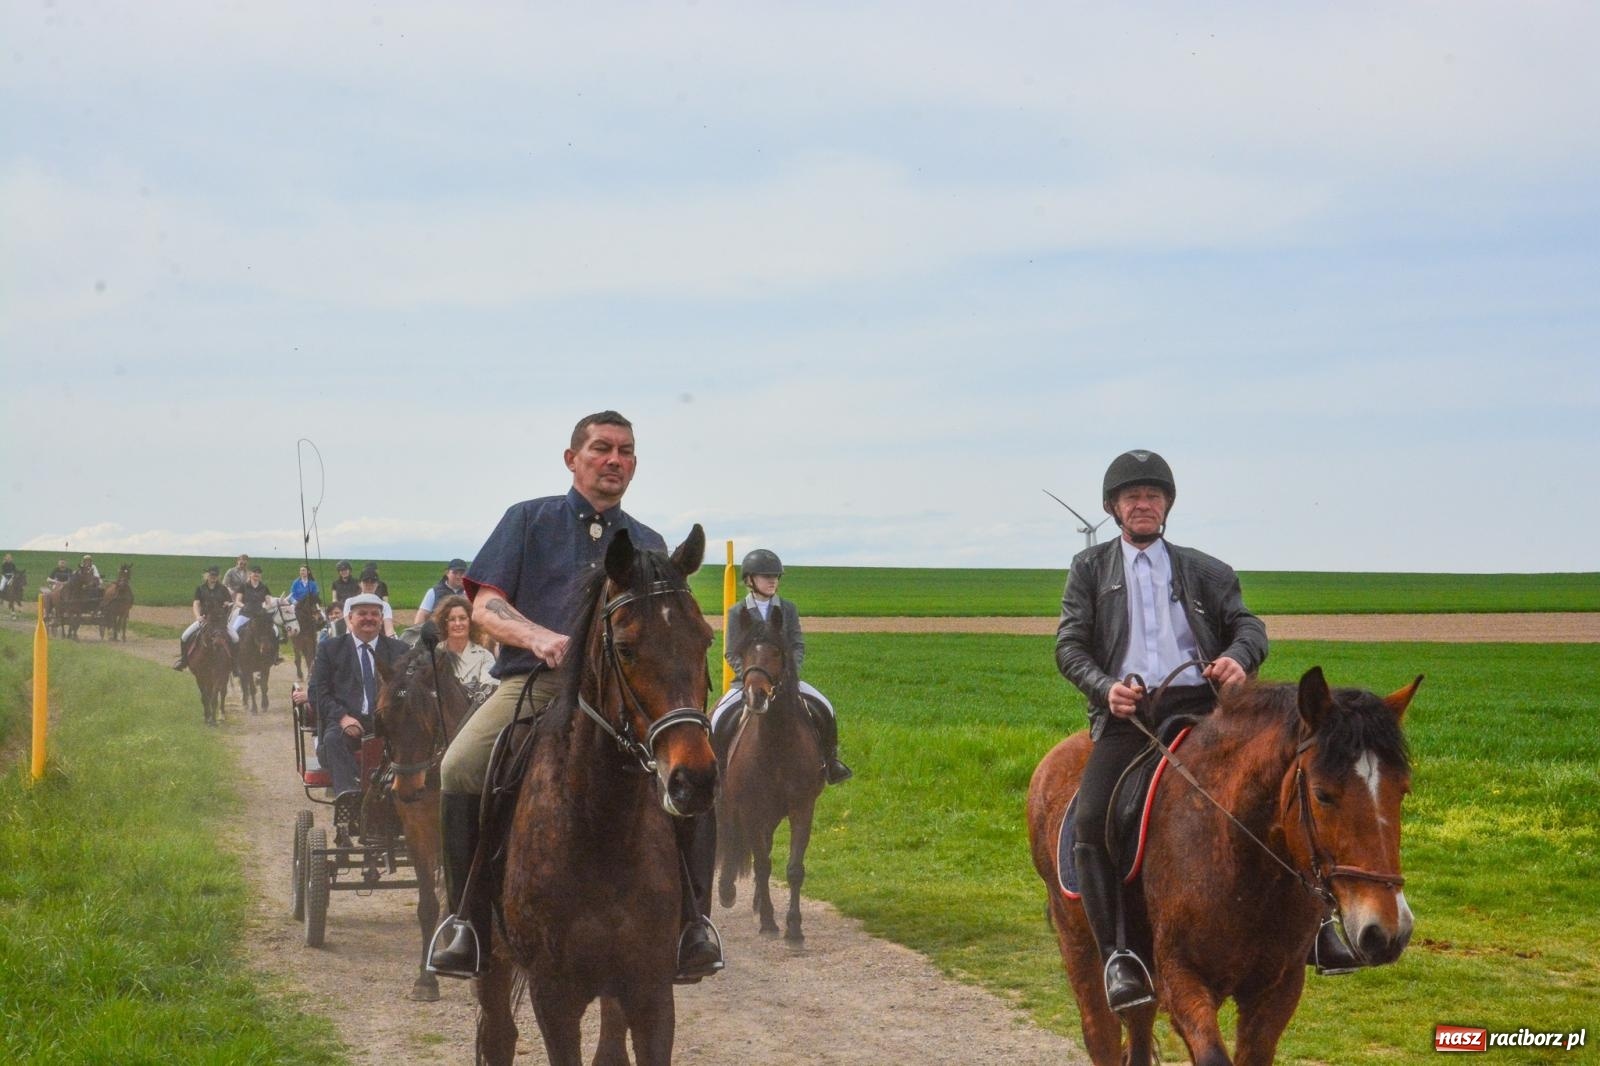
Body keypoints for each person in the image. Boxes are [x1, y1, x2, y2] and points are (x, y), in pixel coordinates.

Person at [427, 410, 723, 983]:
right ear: (573, 459)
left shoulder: (648, 541)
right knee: (460, 767)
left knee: (702, 775)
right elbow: (485, 607)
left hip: (624, 698)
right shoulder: (528, 521)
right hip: (534, 684)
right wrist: (540, 638)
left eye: (626, 451)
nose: (615, 460)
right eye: (601, 449)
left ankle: (692, 924)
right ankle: (464, 923)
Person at [1054, 449, 1271, 1012]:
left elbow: (1248, 625)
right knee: (1092, 818)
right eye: (1132, 497)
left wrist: (1238, 659)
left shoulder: (1207, 569)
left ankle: (1314, 929)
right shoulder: (1089, 570)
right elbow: (1069, 645)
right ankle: (1118, 956)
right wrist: (1105, 688)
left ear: (1167, 504)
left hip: (1206, 712)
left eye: (1153, 495)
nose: (1143, 504)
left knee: (1280, 788)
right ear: (1113, 508)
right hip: (1131, 717)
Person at [710, 549, 852, 785]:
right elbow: (731, 651)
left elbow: (797, 645)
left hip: (786, 681)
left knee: (826, 706)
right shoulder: (737, 612)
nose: (772, 580)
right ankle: (716, 770)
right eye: (766, 576)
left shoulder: (788, 609)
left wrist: (788, 674)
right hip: (747, 681)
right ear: (749, 580)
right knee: (717, 718)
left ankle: (831, 761)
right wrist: (750, 676)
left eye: (775, 576)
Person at [307, 593, 409, 841]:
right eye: (362, 613)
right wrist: (342, 718)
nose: (369, 619)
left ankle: (399, 805)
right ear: (349, 618)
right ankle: (351, 804)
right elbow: (317, 692)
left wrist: (397, 701)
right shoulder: (330, 649)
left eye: (375, 614)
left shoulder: (399, 650)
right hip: (344, 724)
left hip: (387, 725)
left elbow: (408, 688)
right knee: (333, 740)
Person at [430, 593, 499, 713]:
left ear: (470, 622)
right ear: (445, 625)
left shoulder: (484, 656)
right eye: (452, 619)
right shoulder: (432, 654)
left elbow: (489, 689)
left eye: (462, 618)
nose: (458, 624)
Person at [174, 565, 237, 670]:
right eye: (211, 575)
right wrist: (198, 616)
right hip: (205, 619)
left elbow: (229, 603)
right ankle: (183, 660)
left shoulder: (223, 589)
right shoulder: (200, 589)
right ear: (207, 575)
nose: (213, 577)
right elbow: (196, 604)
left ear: (218, 576)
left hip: (220, 621)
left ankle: (235, 664)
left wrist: (227, 604)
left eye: (215, 575)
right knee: (184, 636)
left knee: (235, 638)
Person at [231, 565, 284, 656]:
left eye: (258, 573)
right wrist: (245, 606)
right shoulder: (243, 586)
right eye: (254, 572)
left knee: (275, 631)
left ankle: (275, 655)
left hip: (260, 616)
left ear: (260, 575)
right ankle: (232, 657)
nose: (256, 574)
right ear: (250, 574)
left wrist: (265, 608)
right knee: (234, 632)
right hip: (245, 614)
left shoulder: (264, 587)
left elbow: (269, 603)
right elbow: (238, 601)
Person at [413, 558, 469, 625]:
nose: (458, 576)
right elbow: (422, 616)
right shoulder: (433, 592)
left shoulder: (469, 593)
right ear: (447, 573)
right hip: (437, 633)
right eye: (455, 573)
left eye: (462, 573)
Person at [355, 566, 396, 636]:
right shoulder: (350, 602)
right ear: (359, 584)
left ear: (377, 584)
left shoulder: (385, 605)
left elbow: (389, 629)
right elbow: (350, 628)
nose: (369, 585)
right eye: (366, 582)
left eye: (372, 582)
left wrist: (394, 643)